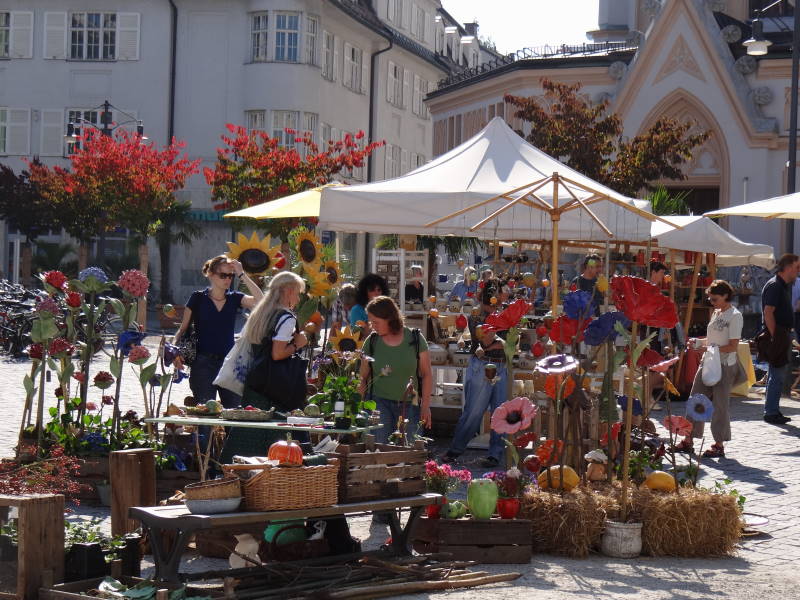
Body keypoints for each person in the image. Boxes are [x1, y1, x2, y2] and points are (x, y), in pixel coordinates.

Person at [220, 271, 309, 462]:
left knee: (248, 433)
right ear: (288, 291)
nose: (299, 297)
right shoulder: (286, 317)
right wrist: (297, 344)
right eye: (298, 292)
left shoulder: (262, 313)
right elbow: (277, 354)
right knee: (275, 437)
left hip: (256, 382)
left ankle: (235, 472)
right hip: (275, 387)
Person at [173, 255, 263, 408]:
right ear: (211, 275)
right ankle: (204, 433)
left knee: (234, 414)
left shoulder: (235, 298)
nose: (228, 279)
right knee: (206, 414)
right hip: (202, 364)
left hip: (229, 364)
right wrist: (174, 352)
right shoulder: (197, 298)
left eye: (230, 275)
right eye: (223, 275)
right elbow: (182, 329)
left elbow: (261, 300)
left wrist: (242, 274)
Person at [442, 279, 508, 468]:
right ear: (493, 297)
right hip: (483, 365)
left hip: (501, 365)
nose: (505, 296)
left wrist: (502, 341)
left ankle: (495, 454)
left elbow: (510, 340)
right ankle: (455, 450)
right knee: (473, 412)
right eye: (502, 292)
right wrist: (501, 342)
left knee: (500, 412)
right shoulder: (478, 315)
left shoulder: (502, 314)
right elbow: (486, 342)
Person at [675, 280, 743, 458]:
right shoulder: (716, 313)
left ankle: (719, 444)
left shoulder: (735, 316)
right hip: (708, 362)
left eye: (714, 299)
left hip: (725, 365)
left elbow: (733, 346)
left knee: (720, 405)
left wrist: (708, 348)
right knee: (695, 399)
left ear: (726, 296)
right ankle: (688, 439)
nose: (711, 302)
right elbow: (713, 339)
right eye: (710, 299)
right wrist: (699, 342)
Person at [358, 296, 432, 444]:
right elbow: (362, 377)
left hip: (410, 405)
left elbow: (426, 374)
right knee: (378, 452)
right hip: (378, 405)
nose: (373, 326)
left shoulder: (415, 339)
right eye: (371, 322)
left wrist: (425, 406)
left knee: (409, 452)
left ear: (389, 318)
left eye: (376, 322)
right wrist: (357, 408)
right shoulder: (372, 341)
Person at [760, 253, 800, 424]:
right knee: (777, 374)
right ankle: (771, 412)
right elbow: (768, 312)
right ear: (789, 267)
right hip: (778, 334)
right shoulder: (775, 285)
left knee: (776, 374)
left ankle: (772, 410)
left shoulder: (781, 285)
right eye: (797, 267)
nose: (798, 271)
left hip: (782, 333)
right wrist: (776, 335)